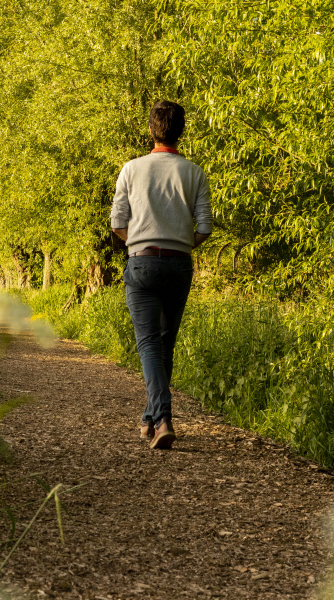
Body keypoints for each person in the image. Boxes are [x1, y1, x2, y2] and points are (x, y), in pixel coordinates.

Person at [110, 100, 212, 450]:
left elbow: (117, 223)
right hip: (180, 262)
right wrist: (181, 243)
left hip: (142, 262)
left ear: (151, 130)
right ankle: (150, 419)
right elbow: (205, 228)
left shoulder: (131, 169)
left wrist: (139, 242)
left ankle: (164, 417)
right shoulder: (194, 172)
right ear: (181, 131)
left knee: (150, 343)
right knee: (165, 343)